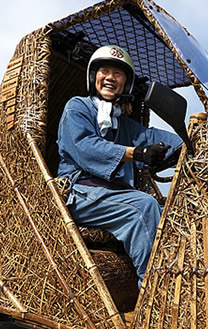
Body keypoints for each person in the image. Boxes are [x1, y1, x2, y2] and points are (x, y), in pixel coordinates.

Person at [57, 45, 183, 287]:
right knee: (144, 207)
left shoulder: (123, 124)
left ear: (126, 82)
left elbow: (152, 136)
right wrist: (135, 153)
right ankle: (154, 292)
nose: (110, 78)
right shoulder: (78, 107)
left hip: (113, 195)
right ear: (94, 76)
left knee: (167, 210)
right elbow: (85, 147)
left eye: (118, 73)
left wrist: (193, 140)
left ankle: (177, 277)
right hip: (80, 192)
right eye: (104, 71)